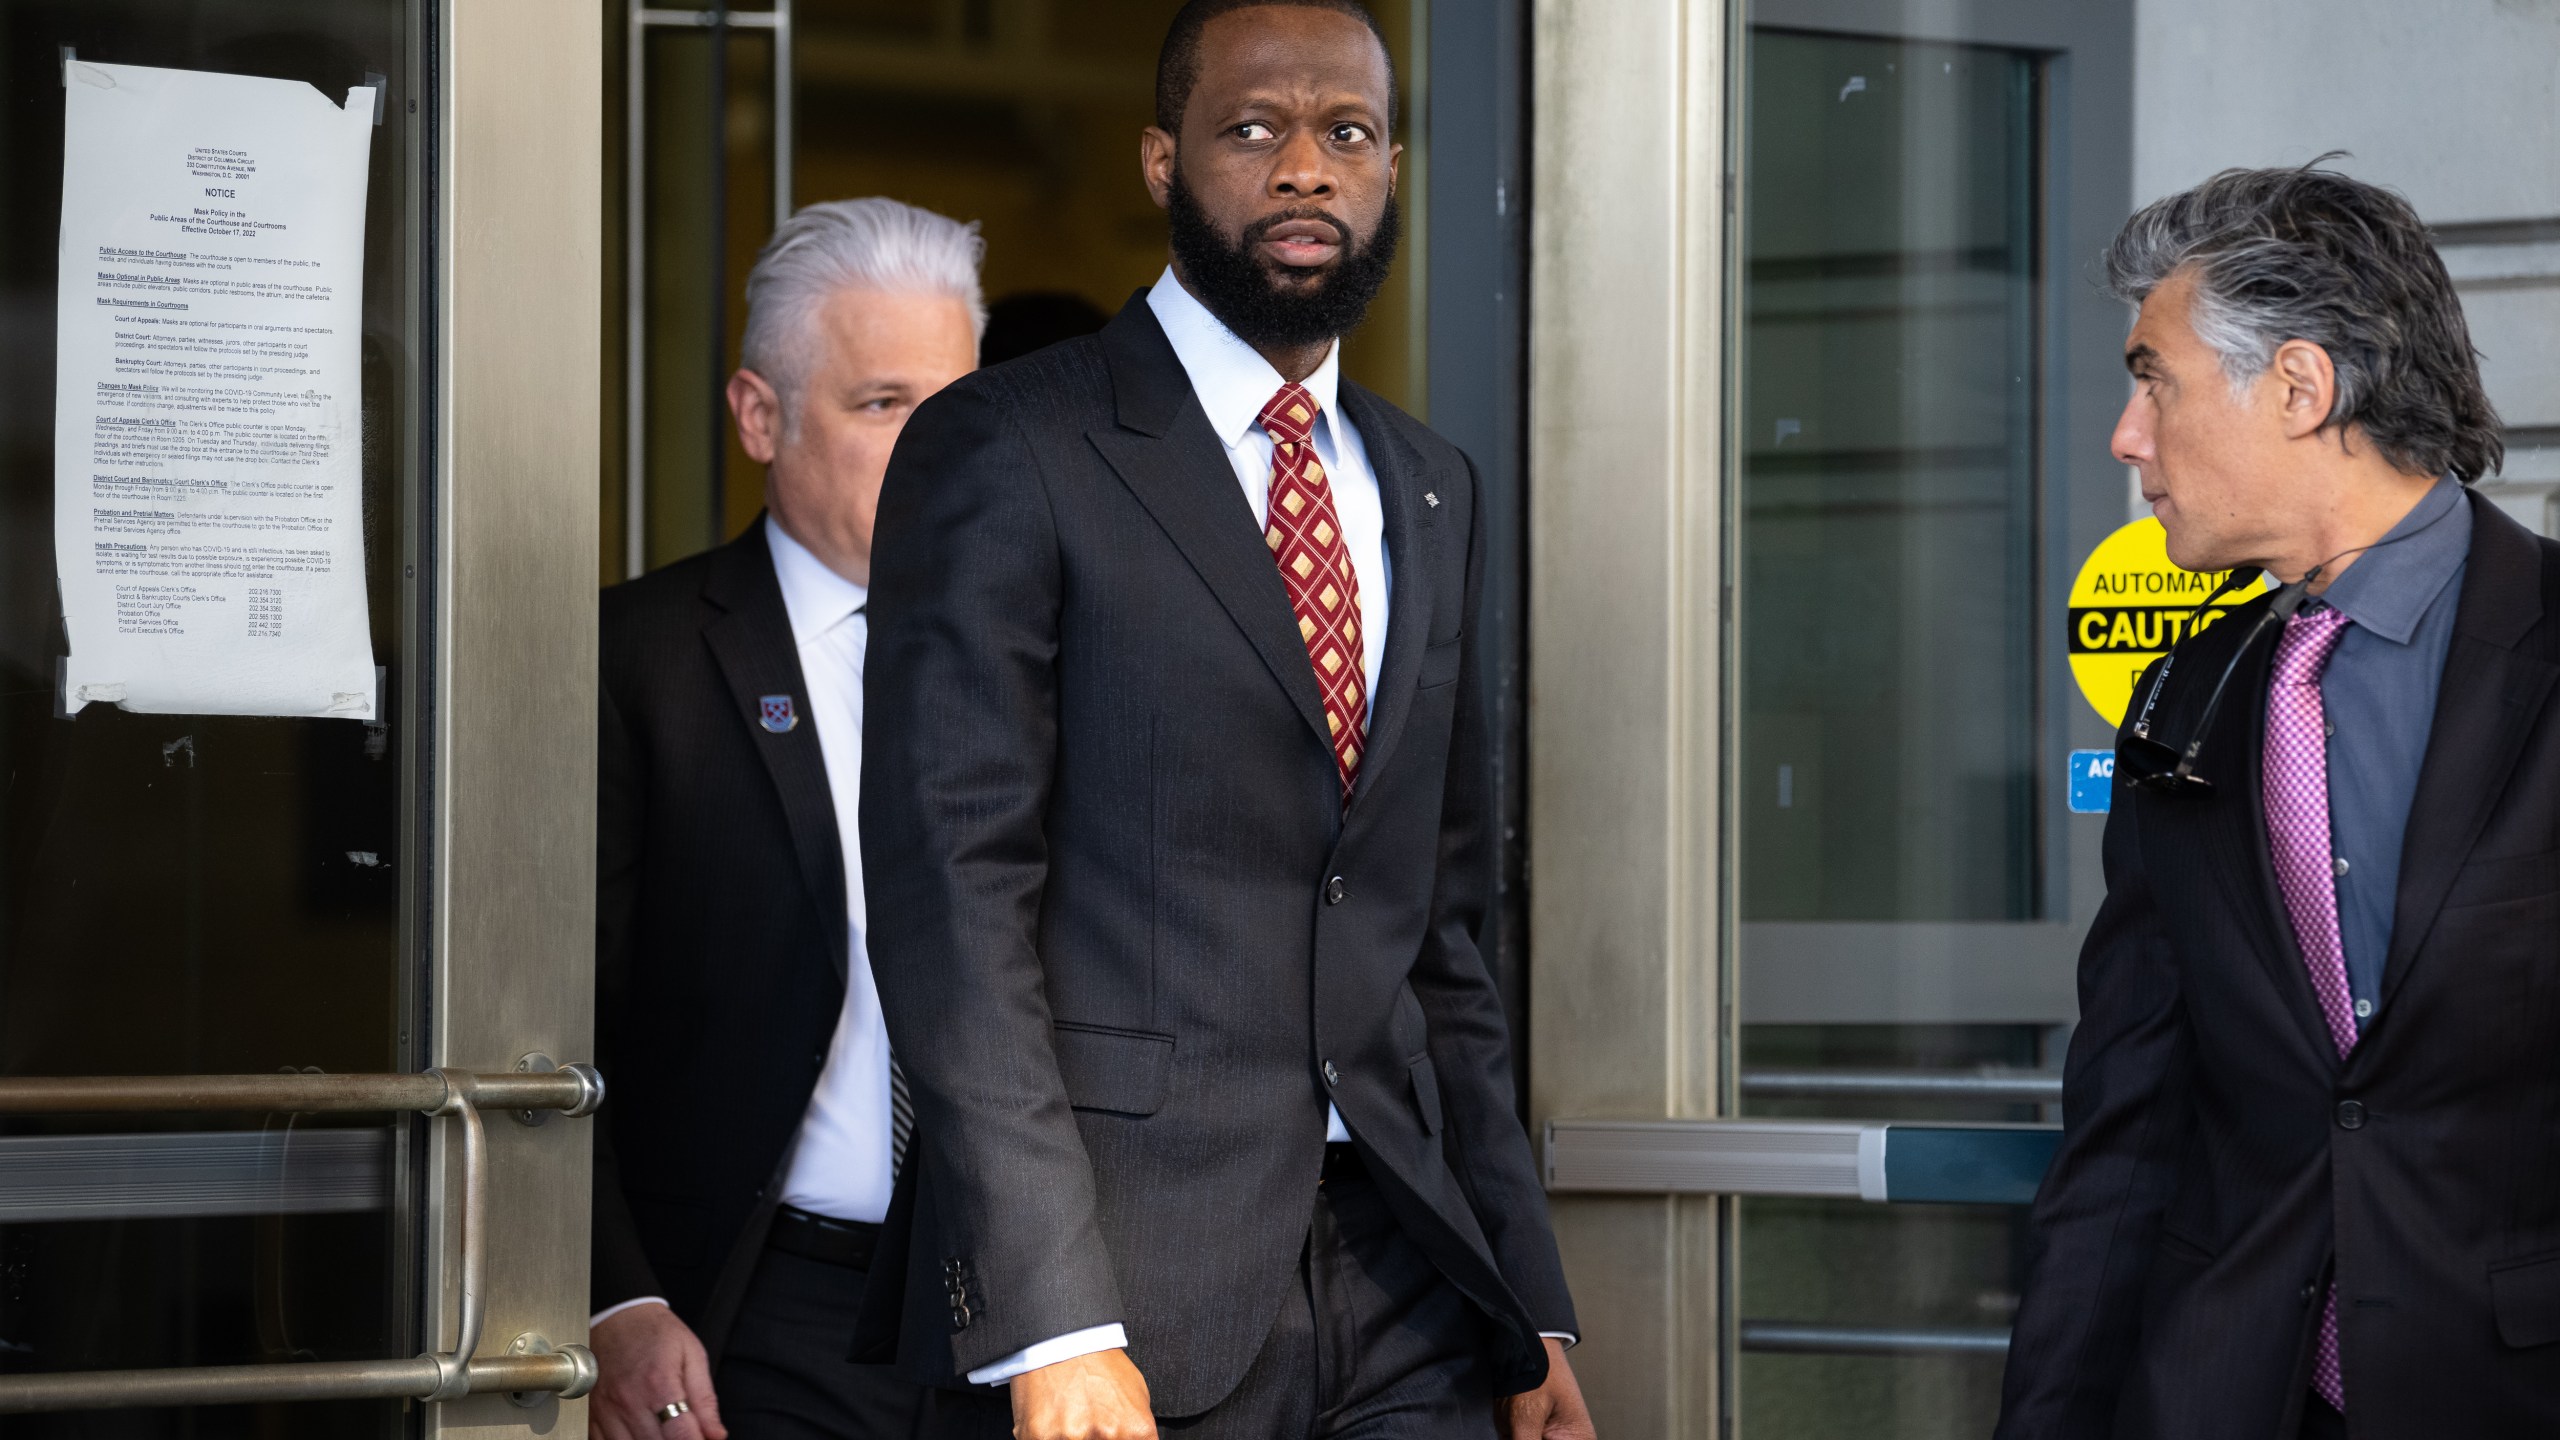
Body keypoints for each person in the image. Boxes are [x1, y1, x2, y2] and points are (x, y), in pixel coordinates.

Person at [854, 2, 1595, 1438]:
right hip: (1122, 1292)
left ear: (1390, 168)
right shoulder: (1009, 447)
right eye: (1253, 130)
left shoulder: (1432, 487)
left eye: (1349, 133)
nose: (1305, 168)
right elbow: (955, 906)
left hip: (1413, 1286)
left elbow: (1443, 937)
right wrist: (1048, 1316)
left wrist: (1530, 1293)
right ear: (1159, 162)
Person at [1997, 163, 2556, 1440]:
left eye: (2154, 379)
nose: (2125, 436)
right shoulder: (2181, 694)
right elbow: (2126, 1129)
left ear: (2299, 388)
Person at [589, 197, 984, 1440]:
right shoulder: (635, 661)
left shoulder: (1054, 661)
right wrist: (617, 1300)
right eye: (883, 406)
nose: (934, 449)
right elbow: (544, 1026)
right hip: (760, 1320)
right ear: (761, 416)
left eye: (957, 408)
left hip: (1008, 1318)